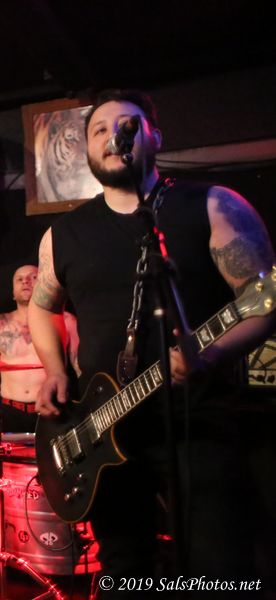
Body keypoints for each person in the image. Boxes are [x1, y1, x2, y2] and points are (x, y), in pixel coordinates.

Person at [28, 89, 275, 592]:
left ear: (155, 137)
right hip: (106, 431)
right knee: (124, 572)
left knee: (219, 571)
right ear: (86, 149)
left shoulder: (211, 205)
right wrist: (54, 369)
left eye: (127, 125)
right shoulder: (64, 234)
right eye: (99, 129)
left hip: (197, 421)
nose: (112, 136)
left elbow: (265, 298)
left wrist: (210, 352)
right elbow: (41, 306)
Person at [0, 264, 78, 432]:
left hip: (50, 408)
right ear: (13, 292)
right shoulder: (0, 323)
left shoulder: (66, 321)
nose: (25, 281)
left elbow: (79, 365)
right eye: (19, 279)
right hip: (8, 411)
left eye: (33, 277)